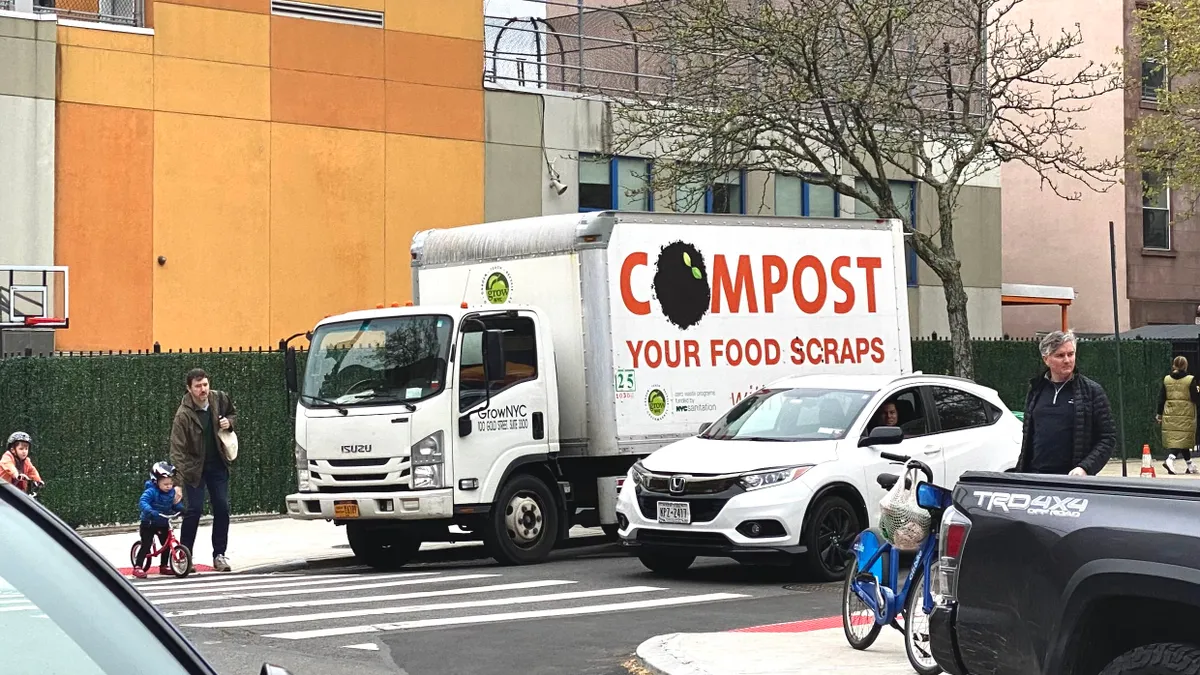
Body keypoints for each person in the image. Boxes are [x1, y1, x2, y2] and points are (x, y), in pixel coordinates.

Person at [1016, 330, 1116, 476]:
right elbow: (1029, 436)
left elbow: (1107, 437)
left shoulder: (1091, 391)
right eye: (1060, 355)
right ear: (1046, 359)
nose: (1067, 360)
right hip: (1036, 477)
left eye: (1071, 354)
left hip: (1072, 480)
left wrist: (1085, 468)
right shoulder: (1036, 389)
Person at [169, 368, 237, 573]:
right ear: (189, 388)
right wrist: (177, 483)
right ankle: (184, 555)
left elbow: (233, 414)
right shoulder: (183, 415)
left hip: (217, 464)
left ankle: (220, 555)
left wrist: (229, 422)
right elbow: (177, 450)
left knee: (222, 508)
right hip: (193, 469)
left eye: (205, 384)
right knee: (194, 510)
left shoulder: (219, 399)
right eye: (198, 386)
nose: (203, 389)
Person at [133, 461, 184, 579]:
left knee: (166, 544)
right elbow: (143, 502)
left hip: (163, 522)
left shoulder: (171, 493)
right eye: (165, 484)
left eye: (171, 483)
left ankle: (164, 566)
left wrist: (181, 509)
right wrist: (150, 511)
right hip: (149, 522)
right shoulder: (151, 491)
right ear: (156, 481)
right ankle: (138, 566)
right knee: (146, 544)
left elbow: (174, 504)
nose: (169, 486)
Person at [1156, 355, 1200, 475]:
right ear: (1185, 366)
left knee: (1180, 439)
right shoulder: (1190, 380)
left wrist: (1159, 414)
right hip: (1186, 414)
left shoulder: (1167, 380)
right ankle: (1170, 459)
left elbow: (1161, 398)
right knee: (1182, 439)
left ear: (1174, 365)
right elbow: (1195, 398)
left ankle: (1190, 465)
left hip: (1170, 414)